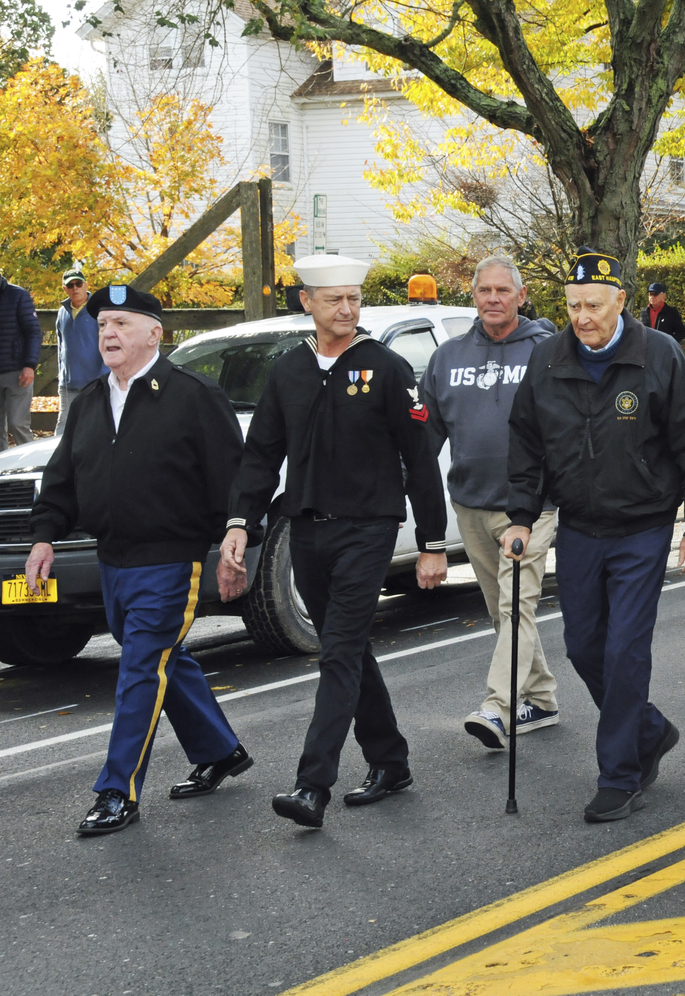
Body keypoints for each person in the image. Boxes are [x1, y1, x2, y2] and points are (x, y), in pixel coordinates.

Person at [219, 254, 449, 829]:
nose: (346, 309)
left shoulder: (387, 368)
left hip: (368, 529)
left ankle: (311, 785)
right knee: (349, 650)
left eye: (353, 299)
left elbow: (419, 459)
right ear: (308, 304)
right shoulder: (289, 371)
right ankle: (390, 761)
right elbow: (262, 455)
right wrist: (239, 522)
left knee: (337, 653)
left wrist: (432, 541)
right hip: (307, 533)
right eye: (333, 300)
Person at [503, 248, 685, 823]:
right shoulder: (547, 359)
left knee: (625, 649)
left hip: (642, 528)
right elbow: (526, 442)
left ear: (621, 302)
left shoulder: (658, 354)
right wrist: (522, 516)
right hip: (579, 527)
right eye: (574, 305)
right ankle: (648, 731)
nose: (583, 316)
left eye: (595, 305)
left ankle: (619, 774)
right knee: (583, 647)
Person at [25, 285, 252, 835]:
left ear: (156, 332)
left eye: (122, 323)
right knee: (158, 658)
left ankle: (116, 790)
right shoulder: (88, 403)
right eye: (103, 324)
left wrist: (236, 536)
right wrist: (44, 536)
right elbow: (60, 481)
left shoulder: (193, 395)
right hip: (113, 560)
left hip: (171, 559)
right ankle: (220, 749)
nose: (108, 333)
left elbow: (235, 476)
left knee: (139, 667)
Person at [420, 256, 559, 750]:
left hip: (531, 507)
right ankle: (540, 699)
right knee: (505, 613)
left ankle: (498, 707)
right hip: (471, 504)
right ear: (474, 296)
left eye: (504, 290)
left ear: (521, 296)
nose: (494, 299)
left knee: (517, 603)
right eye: (485, 291)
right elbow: (426, 437)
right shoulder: (447, 357)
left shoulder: (549, 351)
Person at [55, 268, 105, 435]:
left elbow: (109, 345)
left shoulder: (99, 311)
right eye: (70, 285)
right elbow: (61, 346)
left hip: (95, 382)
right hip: (68, 383)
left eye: (78, 284)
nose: (75, 288)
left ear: (86, 285)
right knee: (63, 427)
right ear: (65, 289)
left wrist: (103, 377)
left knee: (95, 425)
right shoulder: (62, 312)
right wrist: (61, 376)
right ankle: (57, 461)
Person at [0, 272, 40, 448]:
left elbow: (33, 332)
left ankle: (32, 466)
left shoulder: (18, 295)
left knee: (18, 423)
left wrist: (29, 365)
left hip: (17, 370)